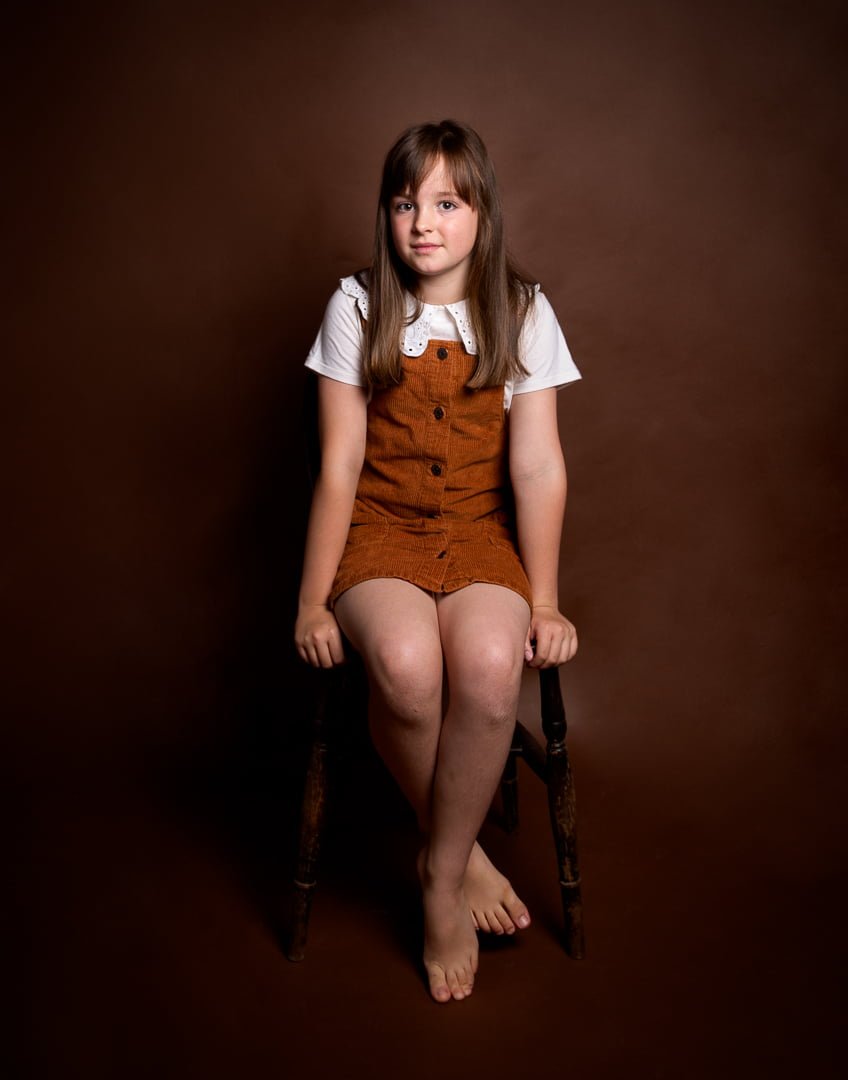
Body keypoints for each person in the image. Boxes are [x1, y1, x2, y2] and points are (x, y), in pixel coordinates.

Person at [294, 120, 580, 1004]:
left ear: (481, 212)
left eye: (447, 202)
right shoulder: (357, 306)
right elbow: (340, 465)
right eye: (406, 201)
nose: (424, 221)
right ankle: (459, 866)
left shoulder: (523, 309)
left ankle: (435, 871)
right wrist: (312, 601)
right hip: (380, 531)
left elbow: (535, 467)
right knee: (408, 670)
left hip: (481, 532)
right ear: (386, 213)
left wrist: (546, 600)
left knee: (493, 668)